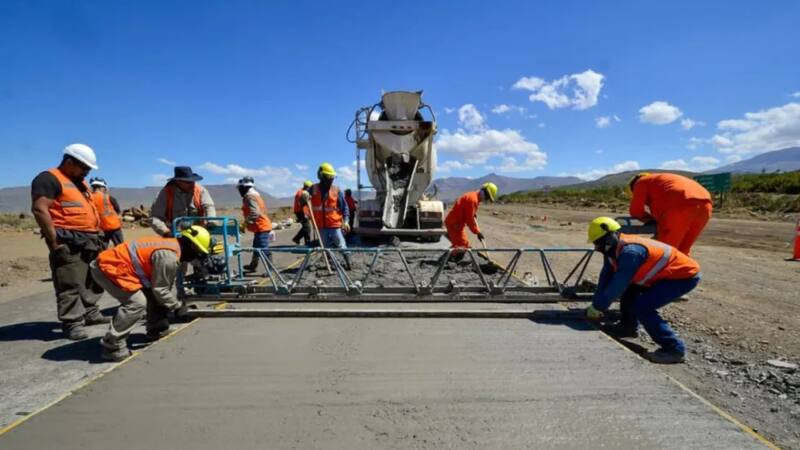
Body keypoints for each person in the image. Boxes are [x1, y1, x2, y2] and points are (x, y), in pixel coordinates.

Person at [585, 217, 701, 364]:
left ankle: (674, 349)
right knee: (629, 293)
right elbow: (606, 276)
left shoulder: (630, 252)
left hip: (681, 276)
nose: (596, 247)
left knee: (642, 307)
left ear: (609, 238)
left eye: (598, 243)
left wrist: (599, 307)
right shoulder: (613, 248)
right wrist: (596, 302)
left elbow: (618, 284)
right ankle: (627, 327)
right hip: (662, 275)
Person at [89, 225, 211, 361]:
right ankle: (112, 346)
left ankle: (157, 329)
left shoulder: (171, 244)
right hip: (108, 268)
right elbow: (161, 290)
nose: (195, 257)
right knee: (137, 303)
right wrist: (178, 307)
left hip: (122, 268)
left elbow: (158, 288)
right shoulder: (169, 257)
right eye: (198, 252)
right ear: (192, 247)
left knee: (154, 294)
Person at [30, 143, 110, 340]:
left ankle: (90, 312)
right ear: (69, 162)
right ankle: (72, 322)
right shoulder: (48, 178)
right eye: (84, 167)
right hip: (67, 240)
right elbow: (40, 209)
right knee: (69, 282)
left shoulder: (79, 183)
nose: (87, 172)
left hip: (90, 240)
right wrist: (54, 241)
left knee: (92, 279)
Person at [627, 172, 712, 255]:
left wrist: (650, 220)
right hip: (705, 205)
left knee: (666, 252)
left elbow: (636, 211)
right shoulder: (660, 181)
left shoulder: (641, 182)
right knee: (682, 251)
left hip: (680, 205)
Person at [301, 163, 351, 268]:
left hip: (334, 225)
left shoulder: (336, 190)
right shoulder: (313, 189)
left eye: (332, 177)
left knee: (341, 245)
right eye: (328, 177)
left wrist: (346, 221)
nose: (331, 180)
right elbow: (303, 202)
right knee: (326, 247)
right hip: (320, 226)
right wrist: (304, 195)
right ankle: (333, 263)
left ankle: (348, 263)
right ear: (321, 176)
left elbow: (345, 207)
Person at [150, 166, 216, 237]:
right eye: (188, 182)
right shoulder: (165, 193)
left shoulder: (200, 190)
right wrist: (166, 232)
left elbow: (209, 206)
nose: (192, 184)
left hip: (198, 234)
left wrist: (211, 222)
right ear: (178, 182)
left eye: (192, 181)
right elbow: (155, 218)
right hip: (175, 234)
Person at [444, 182, 498, 259]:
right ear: (483, 190)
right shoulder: (473, 200)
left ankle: (450, 257)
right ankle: (449, 260)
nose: (486, 199)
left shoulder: (473, 196)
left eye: (488, 198)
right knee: (463, 245)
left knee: (461, 244)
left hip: (456, 223)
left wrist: (473, 214)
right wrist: (477, 232)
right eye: (487, 196)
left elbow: (468, 212)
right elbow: (469, 220)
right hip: (454, 224)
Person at [237, 177, 273, 272]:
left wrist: (244, 224)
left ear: (245, 188)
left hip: (261, 226)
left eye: (240, 188)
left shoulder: (250, 197)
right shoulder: (254, 195)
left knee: (263, 248)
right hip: (260, 227)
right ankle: (253, 266)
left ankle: (271, 270)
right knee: (256, 247)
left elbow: (254, 213)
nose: (239, 191)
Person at [90, 177, 124, 246]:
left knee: (101, 249)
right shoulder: (108, 197)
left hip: (100, 229)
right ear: (101, 188)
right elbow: (118, 211)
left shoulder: (89, 199)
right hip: (114, 227)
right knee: (120, 247)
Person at [292, 180, 313, 245]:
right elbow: (303, 205)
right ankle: (307, 243)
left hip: (300, 211)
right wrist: (307, 214)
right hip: (300, 212)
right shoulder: (301, 193)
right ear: (307, 187)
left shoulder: (304, 192)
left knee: (305, 227)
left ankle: (297, 239)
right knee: (307, 227)